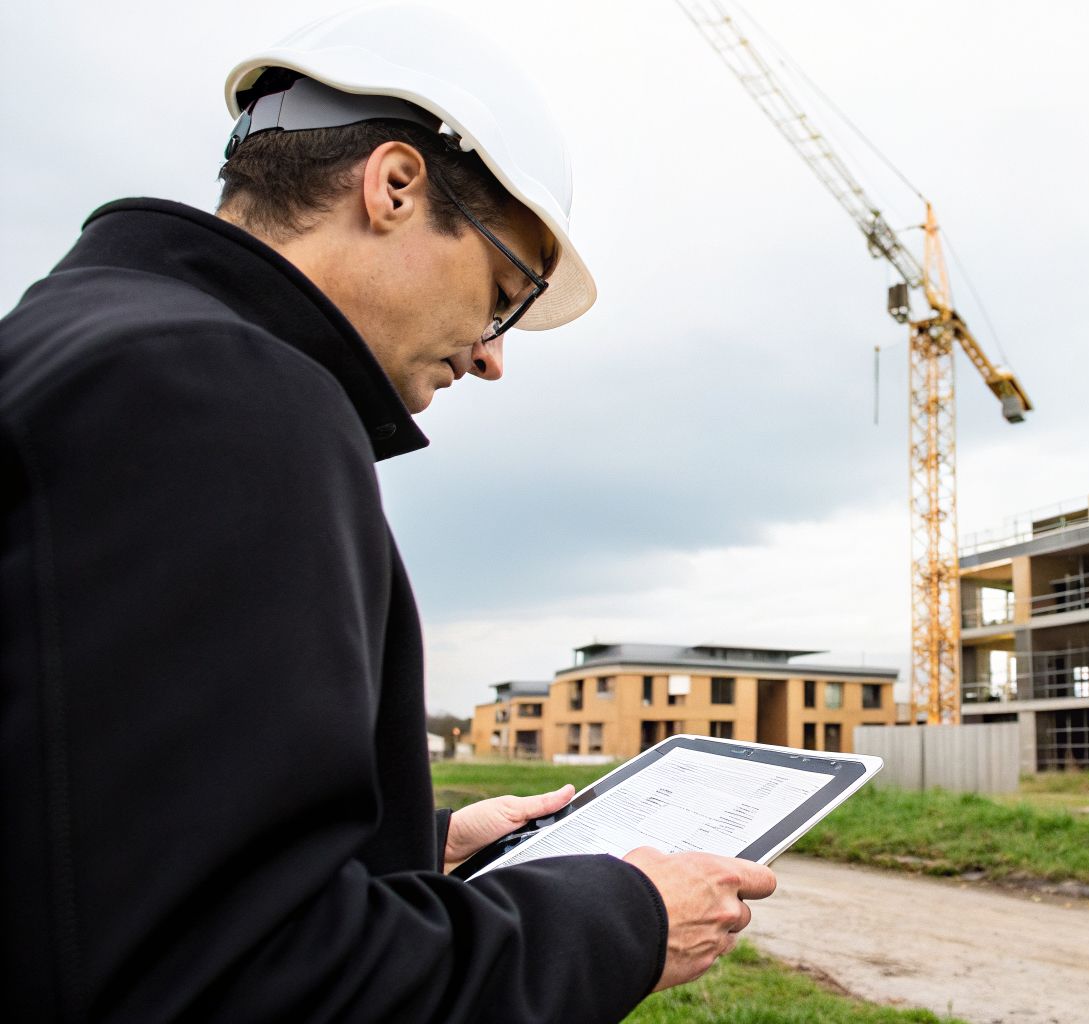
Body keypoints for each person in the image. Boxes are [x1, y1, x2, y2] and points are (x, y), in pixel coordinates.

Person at [0, 5, 775, 1021]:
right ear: (395, 186)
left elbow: (91, 846)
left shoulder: (80, 347)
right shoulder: (215, 393)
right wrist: (625, 917)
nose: (492, 355)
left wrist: (416, 844)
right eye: (503, 292)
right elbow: (239, 982)